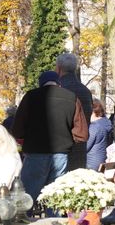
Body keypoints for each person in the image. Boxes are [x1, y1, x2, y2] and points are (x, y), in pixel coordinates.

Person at [12, 71, 88, 203]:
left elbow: (17, 130)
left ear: (41, 83)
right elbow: (82, 134)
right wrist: (68, 139)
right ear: (59, 83)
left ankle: (24, 221)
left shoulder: (31, 96)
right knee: (55, 198)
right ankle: (54, 222)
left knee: (26, 198)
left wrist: (28, 137)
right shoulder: (71, 97)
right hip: (61, 153)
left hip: (35, 152)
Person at [56, 53, 92, 171]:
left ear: (59, 68)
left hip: (61, 148)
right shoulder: (85, 91)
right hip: (80, 146)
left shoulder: (59, 90)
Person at [86, 98, 113, 170]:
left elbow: (86, 146)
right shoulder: (107, 122)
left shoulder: (94, 127)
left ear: (93, 112)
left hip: (91, 163)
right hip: (103, 160)